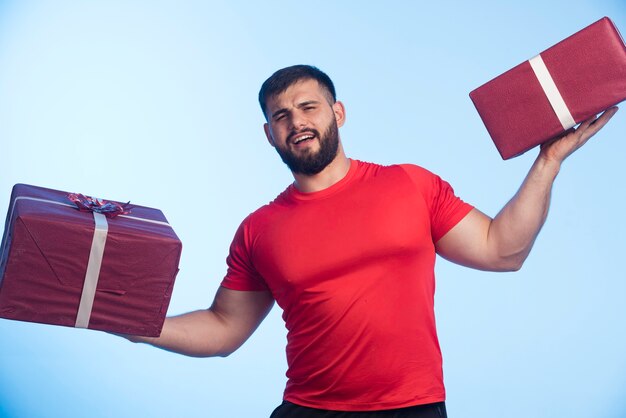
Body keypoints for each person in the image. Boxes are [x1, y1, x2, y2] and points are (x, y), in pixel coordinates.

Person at [125, 65, 618, 417]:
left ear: (337, 113)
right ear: (269, 135)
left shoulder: (409, 184)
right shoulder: (258, 229)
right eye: (281, 116)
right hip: (309, 411)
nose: (296, 121)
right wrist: (132, 323)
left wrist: (548, 162)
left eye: (308, 107)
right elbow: (223, 330)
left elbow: (502, 250)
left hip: (413, 410)